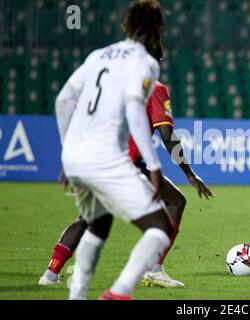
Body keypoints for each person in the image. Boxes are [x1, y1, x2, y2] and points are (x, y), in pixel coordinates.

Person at [38, 75, 213, 288]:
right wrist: (189, 173)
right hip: (124, 163)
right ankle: (153, 268)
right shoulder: (155, 88)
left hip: (96, 158)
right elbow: (167, 135)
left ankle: (50, 274)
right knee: (175, 202)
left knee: (87, 218)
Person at [54, 0, 171, 300]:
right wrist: (155, 167)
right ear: (158, 28)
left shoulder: (97, 55)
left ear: (126, 25)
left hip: (75, 156)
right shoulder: (146, 62)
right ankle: (118, 293)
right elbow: (134, 108)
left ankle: (76, 296)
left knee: (99, 222)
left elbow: (63, 101)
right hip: (105, 157)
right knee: (159, 228)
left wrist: (67, 153)